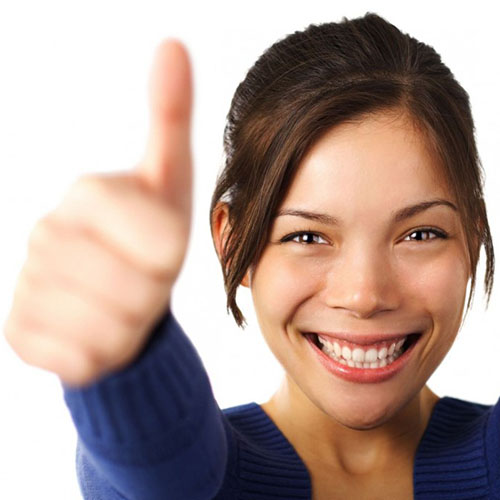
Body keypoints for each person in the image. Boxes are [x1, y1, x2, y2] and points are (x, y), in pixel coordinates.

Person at [3, 12, 499, 500]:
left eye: (420, 234)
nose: (364, 295)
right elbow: (159, 467)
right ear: (233, 243)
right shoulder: (193, 478)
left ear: (473, 238)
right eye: (307, 237)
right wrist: (127, 358)